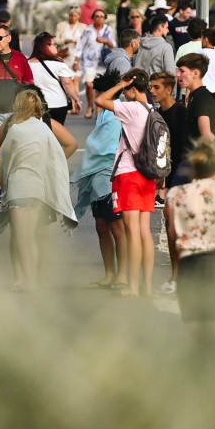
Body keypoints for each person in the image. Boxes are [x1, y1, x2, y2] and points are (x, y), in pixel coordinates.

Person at [0, 89, 77, 291]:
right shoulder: (44, 129)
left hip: (19, 188)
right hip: (38, 189)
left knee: (20, 236)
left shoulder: (15, 130)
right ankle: (33, 279)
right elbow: (57, 155)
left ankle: (23, 280)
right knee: (32, 236)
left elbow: (4, 159)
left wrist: (3, 183)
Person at [166, 139, 215, 338]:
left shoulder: (176, 194)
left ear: (193, 165)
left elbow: (172, 234)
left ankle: (199, 364)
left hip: (191, 263)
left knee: (195, 327)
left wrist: (176, 268)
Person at [94, 69, 157, 297]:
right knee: (144, 232)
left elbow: (100, 100)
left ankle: (131, 286)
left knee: (132, 234)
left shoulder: (131, 109)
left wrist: (120, 84)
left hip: (129, 174)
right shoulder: (151, 110)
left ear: (132, 88)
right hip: (148, 175)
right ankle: (147, 287)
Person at [74, 70, 126, 288]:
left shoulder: (116, 111)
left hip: (110, 173)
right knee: (101, 225)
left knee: (116, 227)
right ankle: (109, 274)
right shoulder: (105, 112)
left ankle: (121, 276)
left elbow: (105, 145)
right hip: (98, 174)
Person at [148, 71, 192, 293]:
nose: (152, 91)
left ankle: (184, 274)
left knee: (178, 224)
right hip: (167, 173)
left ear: (168, 89)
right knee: (170, 226)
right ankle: (176, 275)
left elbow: (188, 148)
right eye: (151, 87)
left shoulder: (182, 113)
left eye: (156, 87)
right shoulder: (155, 114)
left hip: (183, 174)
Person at [29, 32, 81, 127]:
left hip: (35, 105)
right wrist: (77, 100)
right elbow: (68, 83)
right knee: (56, 135)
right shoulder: (58, 64)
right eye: (53, 44)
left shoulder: (28, 64)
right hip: (57, 104)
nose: (56, 46)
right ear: (46, 46)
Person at [76, 7, 116, 118]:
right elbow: (80, 45)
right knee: (89, 84)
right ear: (93, 17)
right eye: (97, 16)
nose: (99, 18)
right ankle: (90, 106)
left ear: (105, 18)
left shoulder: (108, 30)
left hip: (102, 63)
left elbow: (114, 45)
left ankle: (98, 109)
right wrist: (76, 60)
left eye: (101, 16)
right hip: (88, 61)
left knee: (100, 87)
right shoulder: (88, 30)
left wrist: (106, 40)